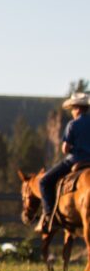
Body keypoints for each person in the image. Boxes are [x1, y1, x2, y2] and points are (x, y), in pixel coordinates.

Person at [38, 92, 90, 234]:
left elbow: (65, 148)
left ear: (77, 108)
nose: (72, 112)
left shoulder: (73, 124)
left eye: (73, 109)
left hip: (75, 160)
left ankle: (50, 217)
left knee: (44, 182)